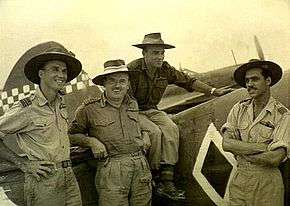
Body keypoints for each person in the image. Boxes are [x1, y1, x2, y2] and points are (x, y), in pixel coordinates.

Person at [127, 32, 233, 199]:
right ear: (144, 53)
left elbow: (188, 81)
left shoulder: (166, 69)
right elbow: (124, 99)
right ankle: (153, 177)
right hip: (132, 111)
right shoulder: (132, 70)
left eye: (162, 52)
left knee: (171, 128)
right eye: (155, 52)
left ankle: (167, 179)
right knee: (154, 132)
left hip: (152, 109)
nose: (160, 56)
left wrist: (213, 91)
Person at [0, 42, 83, 205]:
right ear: (41, 73)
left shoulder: (61, 103)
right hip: (44, 181)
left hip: (69, 176)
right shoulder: (27, 107)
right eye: (55, 69)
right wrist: (23, 164)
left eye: (64, 71)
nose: (61, 75)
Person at [68, 59, 152, 206]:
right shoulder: (88, 109)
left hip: (140, 165)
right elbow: (71, 135)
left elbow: (135, 124)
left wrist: (145, 134)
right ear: (104, 83)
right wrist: (92, 142)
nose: (117, 85)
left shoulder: (132, 103)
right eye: (112, 81)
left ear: (128, 84)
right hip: (112, 167)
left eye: (122, 81)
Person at [221, 59, 289, 205]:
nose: (249, 84)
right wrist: (262, 147)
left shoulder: (283, 115)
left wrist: (239, 149)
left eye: (255, 79)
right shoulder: (238, 109)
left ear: (268, 80)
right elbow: (226, 143)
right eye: (247, 81)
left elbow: (274, 158)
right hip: (239, 180)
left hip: (267, 183)